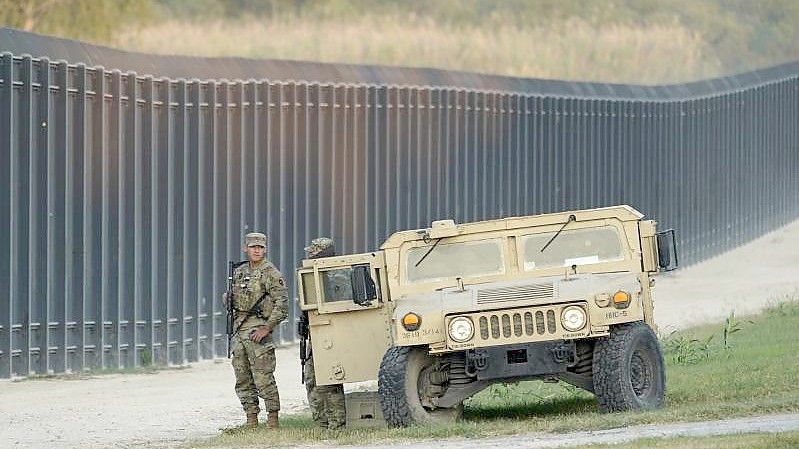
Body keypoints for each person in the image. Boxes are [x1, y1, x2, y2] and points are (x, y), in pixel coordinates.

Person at [226, 232, 288, 428]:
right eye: (253, 247)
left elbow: (282, 305)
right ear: (246, 248)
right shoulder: (239, 271)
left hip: (258, 331)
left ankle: (272, 419)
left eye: (260, 247)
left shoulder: (271, 273)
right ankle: (251, 418)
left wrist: (267, 328)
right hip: (240, 329)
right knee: (242, 377)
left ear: (265, 249)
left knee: (264, 377)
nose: (256, 250)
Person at [300, 237, 347, 429]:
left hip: (330, 334)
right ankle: (321, 423)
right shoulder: (313, 276)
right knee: (312, 378)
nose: (309, 254)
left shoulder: (338, 276)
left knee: (330, 380)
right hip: (316, 334)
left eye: (313, 251)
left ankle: (337, 423)